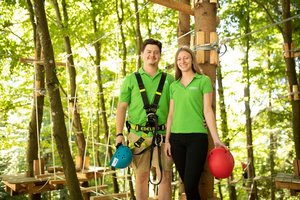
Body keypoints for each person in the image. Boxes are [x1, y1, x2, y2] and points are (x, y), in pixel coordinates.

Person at [115, 38, 174, 200]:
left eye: (156, 52)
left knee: (165, 176)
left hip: (163, 135)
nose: (152, 55)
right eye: (148, 52)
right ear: (142, 54)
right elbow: (121, 107)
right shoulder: (131, 80)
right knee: (141, 176)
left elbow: (178, 107)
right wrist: (119, 134)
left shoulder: (169, 80)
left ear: (160, 56)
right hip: (138, 135)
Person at [164, 46, 226, 200]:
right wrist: (167, 140)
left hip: (197, 138)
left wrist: (216, 139)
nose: (182, 61)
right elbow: (170, 115)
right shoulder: (174, 86)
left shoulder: (203, 81)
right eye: (179, 59)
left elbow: (207, 110)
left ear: (192, 60)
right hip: (176, 140)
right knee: (188, 186)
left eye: (185, 58)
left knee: (191, 184)